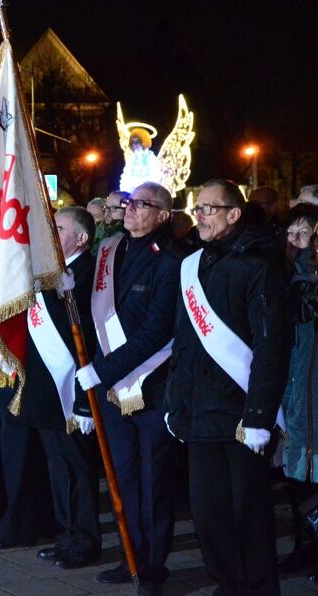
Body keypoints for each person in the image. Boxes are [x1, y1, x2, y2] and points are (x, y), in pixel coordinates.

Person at [164, 179, 289, 595]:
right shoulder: (194, 264)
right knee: (209, 515)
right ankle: (228, 584)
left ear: (233, 214)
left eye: (207, 208)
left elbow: (271, 347)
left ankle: (256, 588)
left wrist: (258, 417)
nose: (198, 215)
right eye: (196, 208)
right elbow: (183, 341)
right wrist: (174, 403)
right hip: (199, 412)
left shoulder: (260, 264)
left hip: (240, 415)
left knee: (247, 516)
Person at [75, 182, 182, 595]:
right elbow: (99, 308)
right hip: (115, 383)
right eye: (130, 203)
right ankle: (130, 556)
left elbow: (157, 330)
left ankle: (153, 567)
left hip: (150, 383)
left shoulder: (171, 261)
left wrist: (102, 370)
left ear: (163, 215)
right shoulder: (112, 249)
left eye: (143, 204)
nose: (132, 209)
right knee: (122, 475)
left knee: (153, 478)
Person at [0, 206, 102, 565]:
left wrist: (68, 294)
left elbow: (88, 330)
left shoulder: (90, 272)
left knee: (77, 468)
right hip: (46, 386)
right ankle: (67, 534)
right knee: (58, 467)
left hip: (71, 387)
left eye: (59, 228)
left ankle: (85, 540)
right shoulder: (49, 273)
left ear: (82, 238)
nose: (51, 234)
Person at [278, 204, 318, 576]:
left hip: (312, 384)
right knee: (295, 473)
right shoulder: (282, 274)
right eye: (291, 234)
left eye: (303, 234)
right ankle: (303, 545)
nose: (295, 241)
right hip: (292, 385)